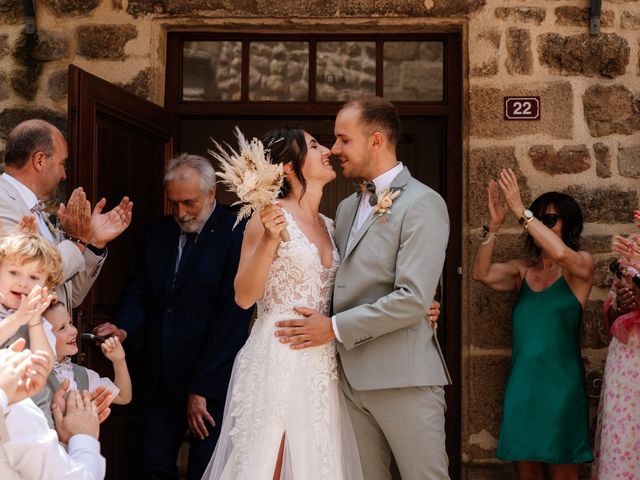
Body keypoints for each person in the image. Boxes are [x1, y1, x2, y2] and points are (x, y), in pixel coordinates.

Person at [274, 97, 451, 480]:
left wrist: (333, 327)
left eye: (342, 140)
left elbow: (413, 298)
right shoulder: (346, 209)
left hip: (403, 378)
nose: (334, 150)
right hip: (345, 379)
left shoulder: (424, 203)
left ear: (375, 140)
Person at [204, 126, 364, 479]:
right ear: (290, 167)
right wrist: (270, 241)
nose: (327, 150)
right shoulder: (269, 216)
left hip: (321, 362)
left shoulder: (330, 223)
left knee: (317, 463)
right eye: (314, 145)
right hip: (279, 355)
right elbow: (243, 297)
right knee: (270, 464)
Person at [93, 153, 252, 479]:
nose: (180, 212)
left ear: (211, 194)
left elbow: (231, 317)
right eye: (173, 203)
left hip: (211, 380)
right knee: (152, 465)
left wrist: (202, 387)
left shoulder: (237, 233)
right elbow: (140, 292)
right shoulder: (156, 234)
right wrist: (123, 328)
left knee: (206, 469)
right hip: (159, 378)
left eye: (189, 203)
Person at [471, 169, 594, 480]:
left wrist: (520, 211)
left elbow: (562, 254)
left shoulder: (581, 265)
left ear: (569, 224)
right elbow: (481, 273)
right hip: (523, 386)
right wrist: (494, 228)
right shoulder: (522, 270)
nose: (540, 224)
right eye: (538, 219)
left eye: (549, 219)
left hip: (561, 388)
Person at [0, 119, 132, 314]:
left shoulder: (35, 209)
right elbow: (29, 279)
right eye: (62, 164)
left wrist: (92, 242)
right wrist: (77, 241)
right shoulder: (3, 200)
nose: (64, 175)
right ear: (39, 160)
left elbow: (71, 296)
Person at [591, 234, 640, 479]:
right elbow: (612, 321)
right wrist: (622, 302)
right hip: (627, 364)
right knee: (623, 442)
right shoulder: (632, 246)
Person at [41, 301, 131, 427]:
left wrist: (119, 361)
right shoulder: (33, 375)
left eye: (70, 323)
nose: (74, 331)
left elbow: (123, 396)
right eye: (62, 328)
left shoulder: (82, 375)